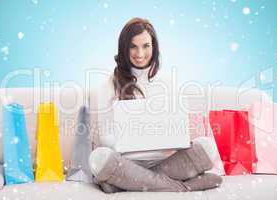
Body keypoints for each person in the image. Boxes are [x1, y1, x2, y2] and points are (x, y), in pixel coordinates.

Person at [88, 17, 222, 193]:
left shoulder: (169, 82)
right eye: (133, 47)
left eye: (146, 46)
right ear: (123, 49)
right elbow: (105, 137)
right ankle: (182, 187)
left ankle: (125, 185)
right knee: (99, 158)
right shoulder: (108, 85)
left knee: (206, 146)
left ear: (154, 47)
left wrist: (178, 138)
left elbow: (178, 127)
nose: (140, 54)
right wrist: (129, 142)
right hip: (127, 163)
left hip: (166, 162)